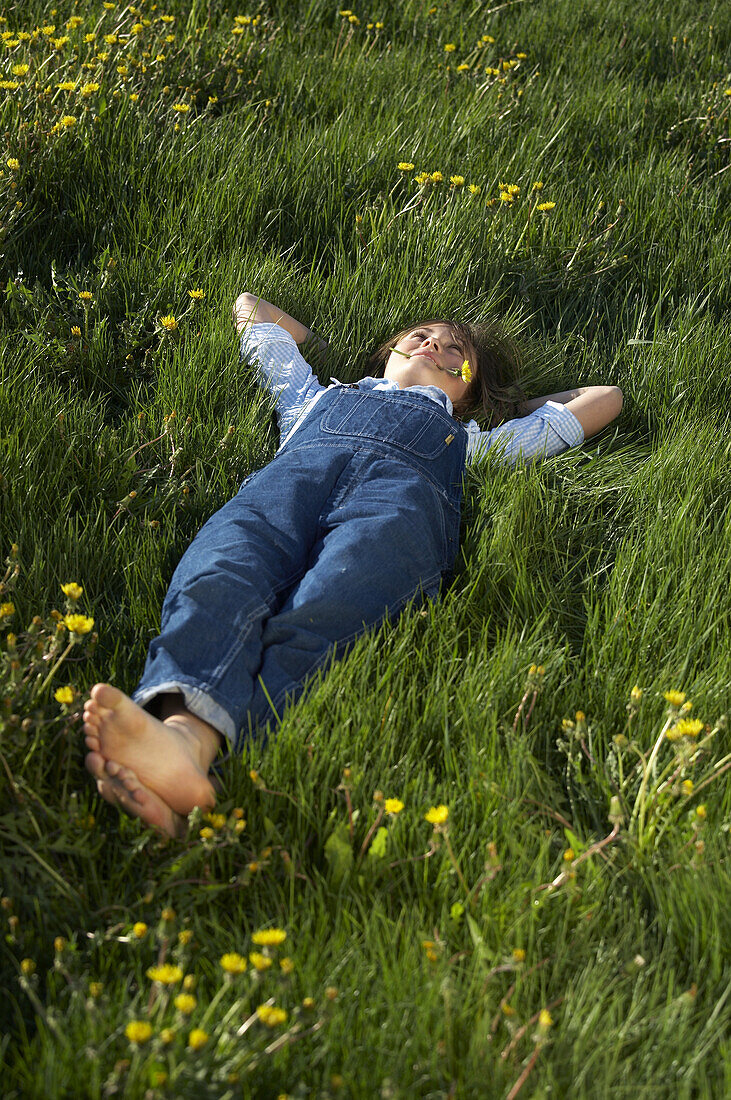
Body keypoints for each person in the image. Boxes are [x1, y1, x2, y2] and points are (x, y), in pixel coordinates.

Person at [83, 293, 623, 836]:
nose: (435, 345)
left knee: (327, 612)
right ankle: (183, 747)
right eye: (421, 336)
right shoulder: (310, 397)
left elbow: (605, 398)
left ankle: (185, 748)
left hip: (391, 517)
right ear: (389, 350)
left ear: (468, 393)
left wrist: (501, 406)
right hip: (282, 494)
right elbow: (251, 308)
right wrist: (325, 348)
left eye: (458, 353)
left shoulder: (475, 442)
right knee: (224, 570)